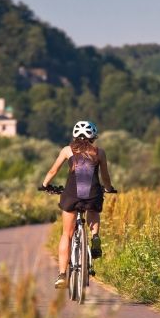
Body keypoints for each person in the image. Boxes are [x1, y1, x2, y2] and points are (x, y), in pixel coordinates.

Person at [40, 121, 115, 289]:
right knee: (94, 208)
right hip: (93, 193)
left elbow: (53, 171)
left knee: (66, 234)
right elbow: (106, 177)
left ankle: (62, 275)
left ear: (75, 135)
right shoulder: (99, 152)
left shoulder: (67, 150)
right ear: (93, 137)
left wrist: (45, 185)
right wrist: (109, 189)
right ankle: (95, 236)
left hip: (71, 195)